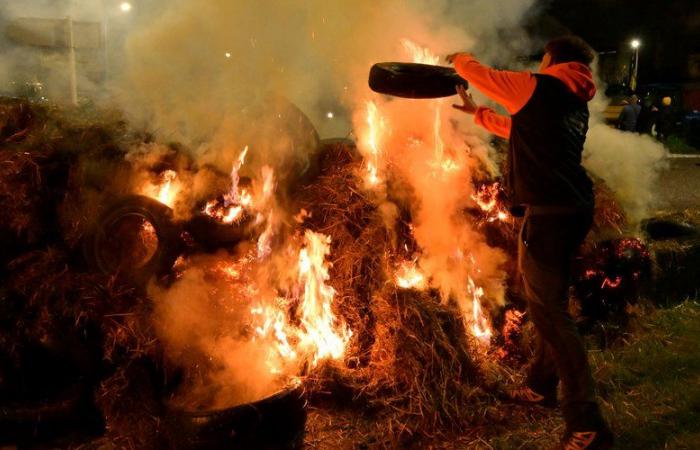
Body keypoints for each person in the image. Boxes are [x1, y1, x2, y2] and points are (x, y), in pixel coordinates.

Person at [447, 36, 613, 450]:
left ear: (551, 58)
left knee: (553, 317)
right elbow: (524, 130)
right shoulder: (575, 98)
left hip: (549, 215)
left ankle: (586, 424)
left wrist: (457, 58)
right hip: (572, 210)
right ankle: (540, 386)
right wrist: (479, 115)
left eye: (542, 59)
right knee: (546, 303)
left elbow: (479, 74)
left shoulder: (540, 84)